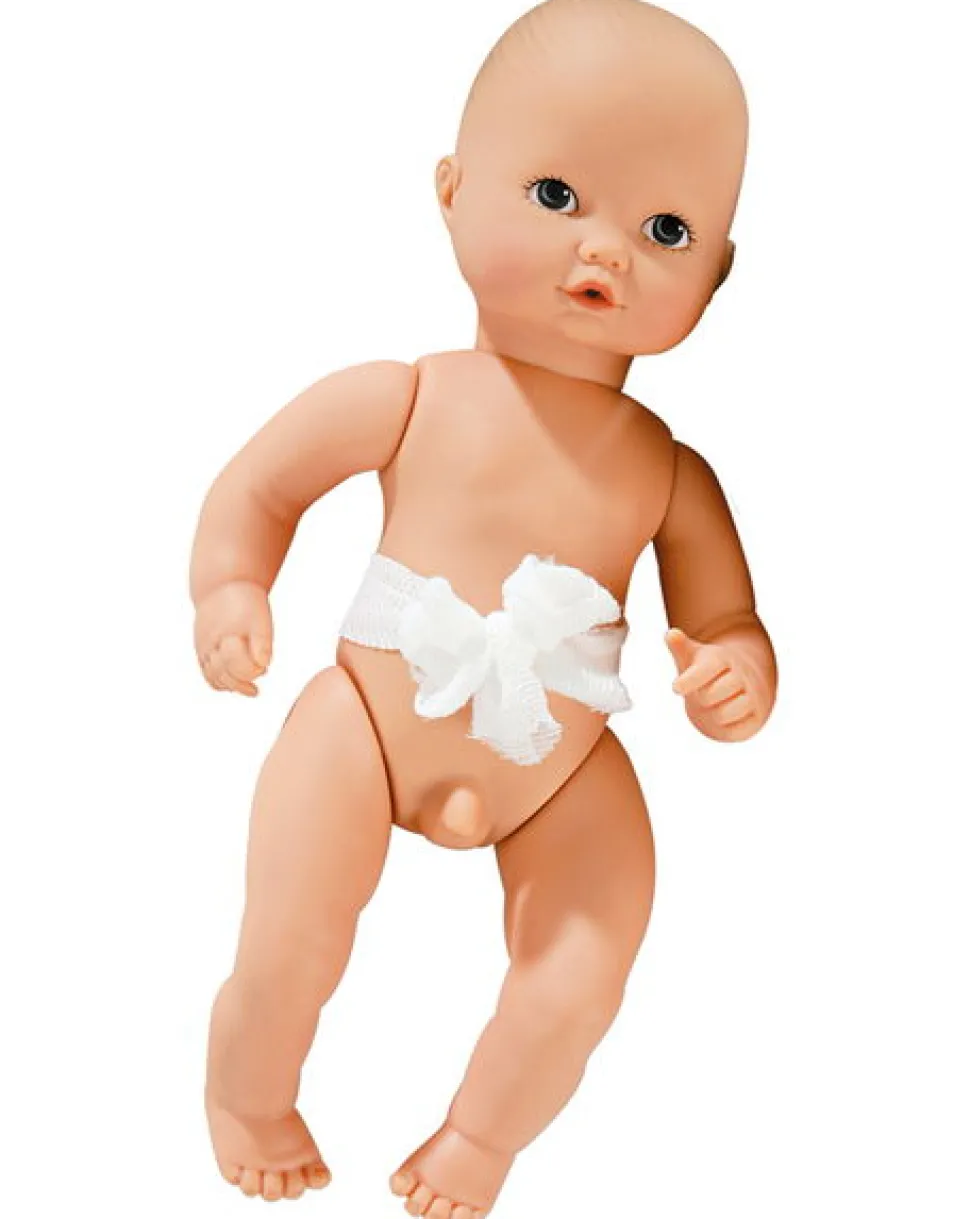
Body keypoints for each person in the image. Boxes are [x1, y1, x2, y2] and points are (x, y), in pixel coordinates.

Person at [190, 1, 778, 1212]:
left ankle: (481, 1137)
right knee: (291, 932)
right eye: (556, 195)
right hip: (368, 715)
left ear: (716, 277)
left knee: (586, 960)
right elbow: (259, 488)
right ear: (452, 191)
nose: (606, 250)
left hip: (561, 761)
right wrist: (231, 584)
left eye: (666, 230)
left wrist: (737, 673)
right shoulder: (406, 393)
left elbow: (729, 621)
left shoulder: (672, 473)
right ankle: (249, 1096)